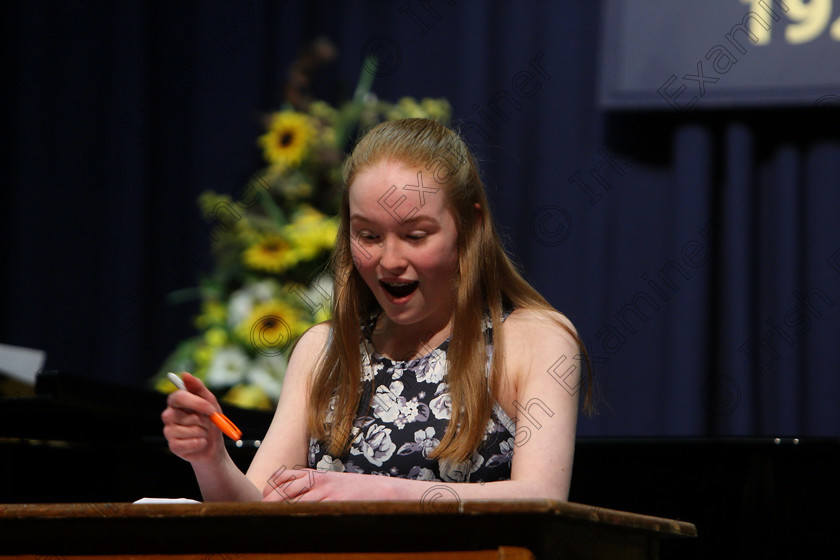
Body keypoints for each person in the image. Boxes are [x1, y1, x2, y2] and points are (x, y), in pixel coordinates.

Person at [162, 118, 593, 503]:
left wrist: (380, 491)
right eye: (368, 235)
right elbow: (256, 513)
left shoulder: (537, 340)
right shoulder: (322, 349)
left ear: (469, 226)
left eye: (416, 235)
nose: (389, 261)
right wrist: (210, 459)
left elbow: (542, 498)